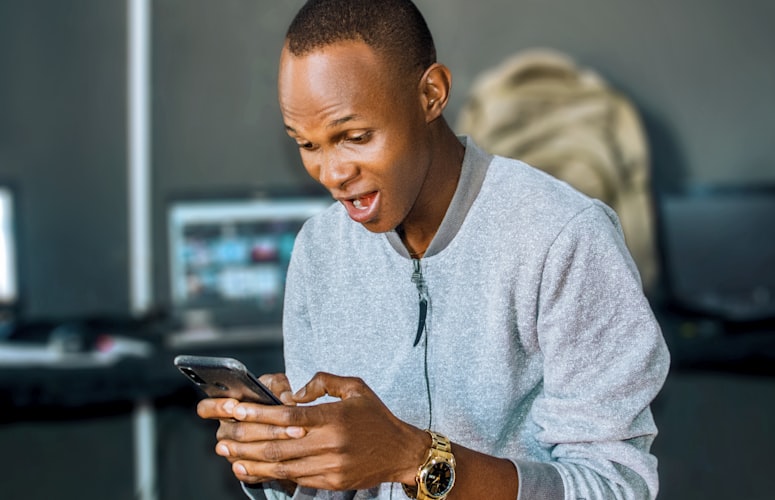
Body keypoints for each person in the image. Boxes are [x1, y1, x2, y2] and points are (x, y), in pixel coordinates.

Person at [196, 0, 670, 499]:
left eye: (355, 137)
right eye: (307, 145)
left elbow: (614, 487)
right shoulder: (319, 251)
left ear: (431, 94)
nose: (333, 174)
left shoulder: (564, 238)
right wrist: (285, 465)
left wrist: (417, 459)